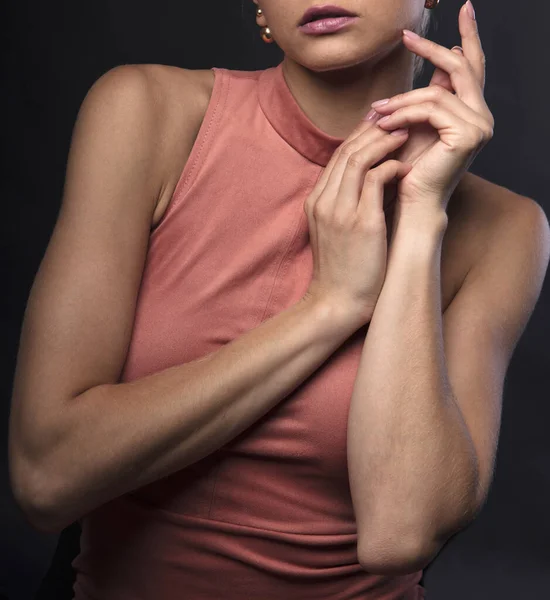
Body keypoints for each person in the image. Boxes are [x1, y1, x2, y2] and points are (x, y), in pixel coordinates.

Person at [9, 0, 549, 599]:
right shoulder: (146, 114)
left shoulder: (506, 229)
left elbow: (400, 535)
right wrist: (330, 307)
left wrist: (422, 213)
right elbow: (46, 478)